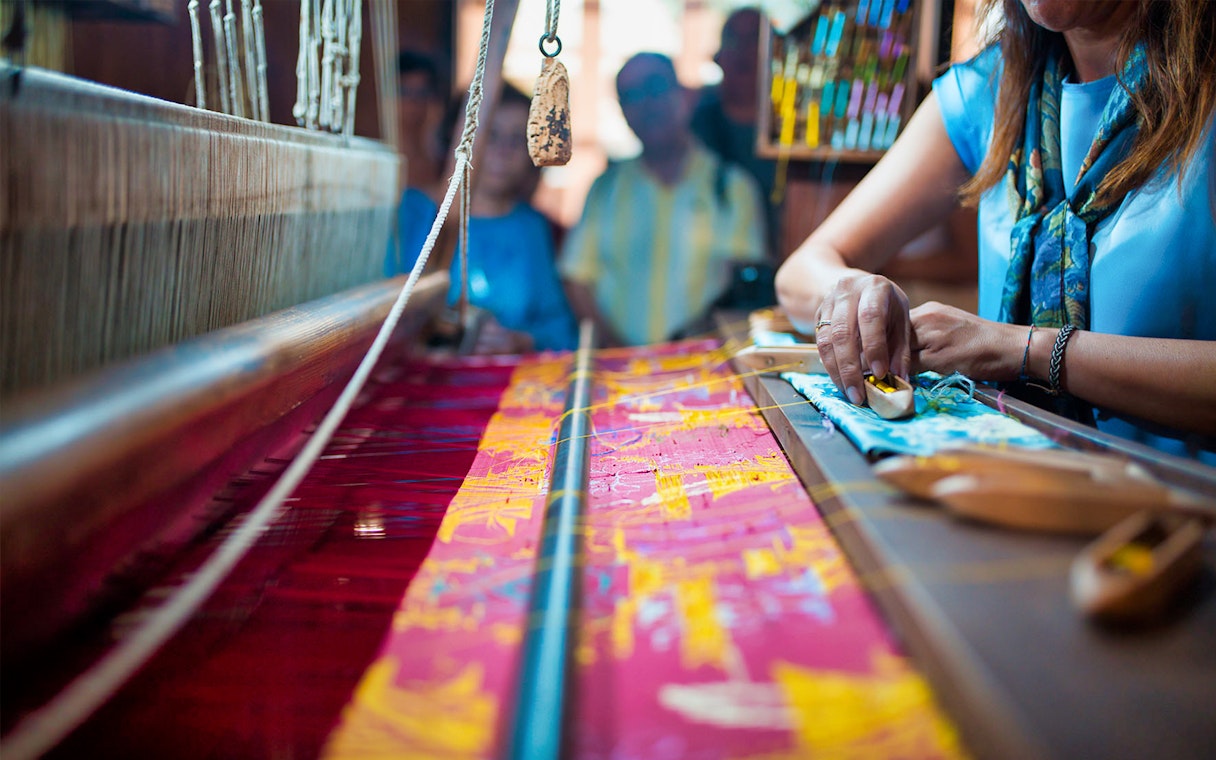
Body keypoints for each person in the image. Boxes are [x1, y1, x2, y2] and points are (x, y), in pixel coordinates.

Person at [774, 0, 1216, 461]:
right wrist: (854, 294)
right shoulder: (990, 90)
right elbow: (801, 271)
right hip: (1006, 495)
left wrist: (1023, 350)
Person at [561, 52, 767, 347]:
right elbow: (577, 280)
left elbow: (746, 289)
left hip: (706, 372)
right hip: (618, 372)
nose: (646, 105)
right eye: (631, 96)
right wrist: (618, 353)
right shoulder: (604, 190)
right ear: (622, 111)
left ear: (685, 95)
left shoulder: (733, 188)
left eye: (655, 87)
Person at [386, 84, 578, 353]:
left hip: (498, 385)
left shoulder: (529, 227)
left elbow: (562, 330)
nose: (503, 152)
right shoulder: (412, 213)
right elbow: (379, 317)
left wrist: (521, 341)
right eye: (491, 136)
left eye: (516, 140)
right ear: (459, 140)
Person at [691, 7, 782, 262]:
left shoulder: (792, 130)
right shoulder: (694, 124)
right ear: (719, 56)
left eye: (754, 39)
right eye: (734, 40)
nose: (744, 51)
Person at [396, 49, 445, 192]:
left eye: (421, 94)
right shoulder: (378, 159)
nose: (413, 102)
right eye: (404, 92)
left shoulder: (442, 163)